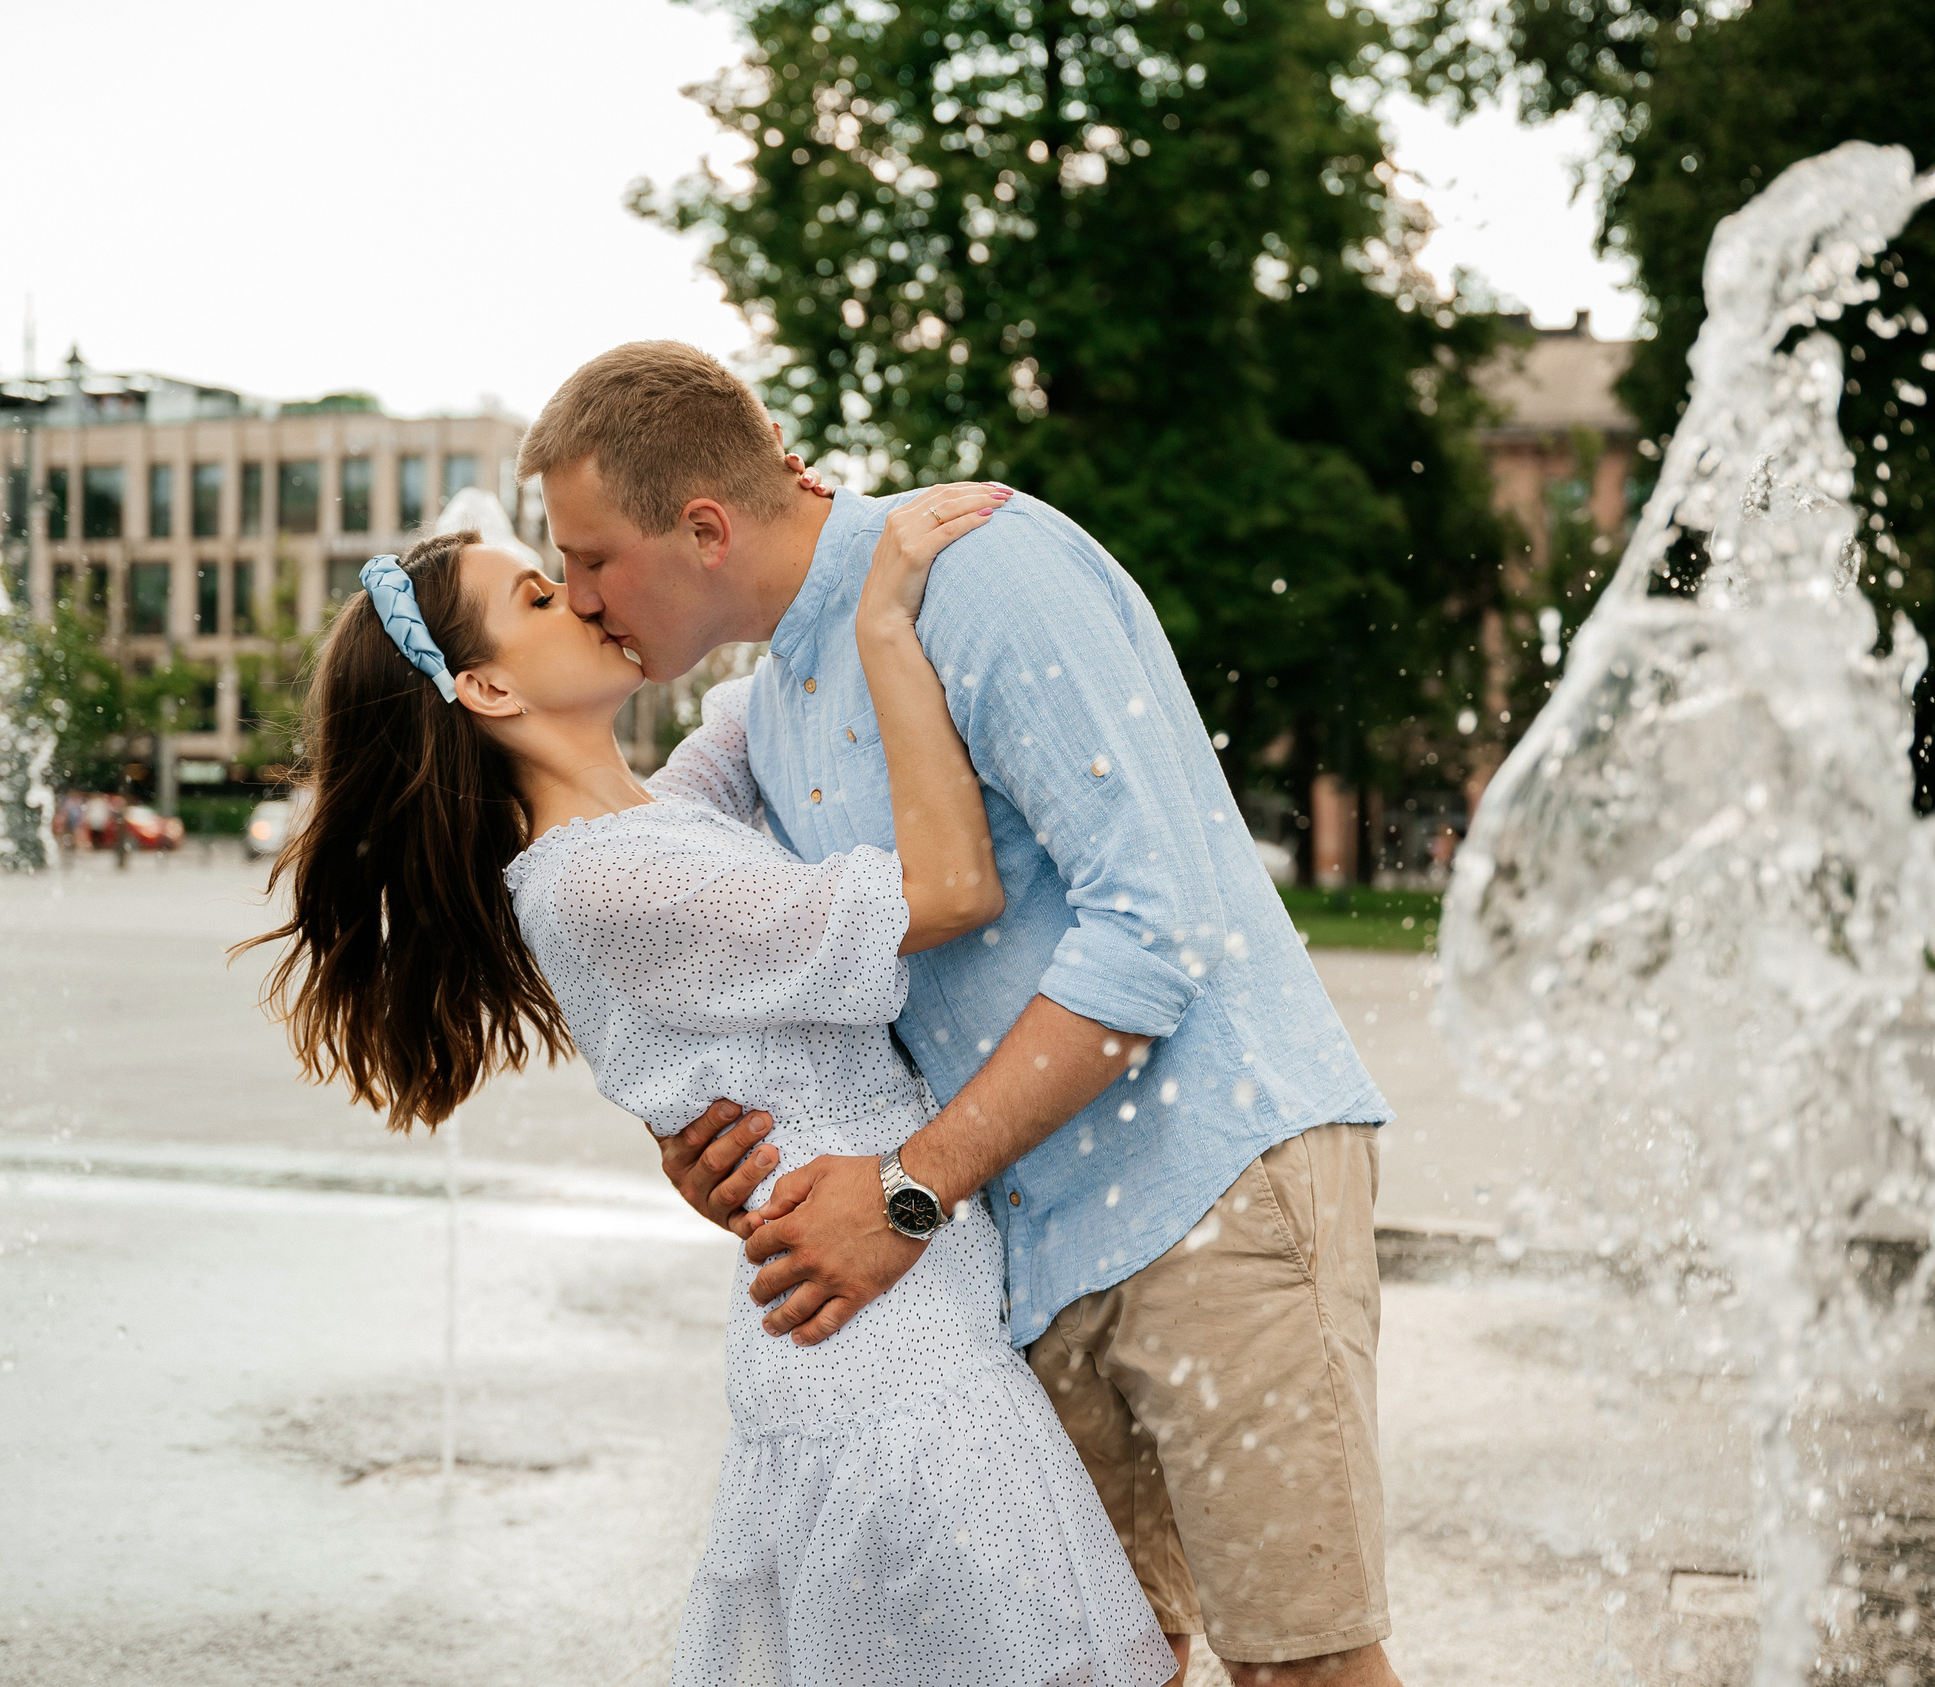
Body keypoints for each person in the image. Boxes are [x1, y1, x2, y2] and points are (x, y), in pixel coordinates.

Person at [528, 343, 1400, 1686]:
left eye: (589, 561)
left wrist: (907, 1192)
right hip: (1029, 1246)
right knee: (1112, 1664)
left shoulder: (979, 567)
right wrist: (693, 1128)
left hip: (1213, 1190)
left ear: (701, 530)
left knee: (1305, 1671)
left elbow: (1153, 930)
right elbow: (644, 898)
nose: (582, 601)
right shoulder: (770, 708)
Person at [242, 510, 1176, 1687]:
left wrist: (788, 546)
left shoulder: (642, 827)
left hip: (885, 1319)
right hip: (884, 1351)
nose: (581, 601)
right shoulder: (606, 879)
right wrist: (883, 626)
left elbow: (749, 701)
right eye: (539, 597)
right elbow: (951, 888)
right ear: (482, 688)